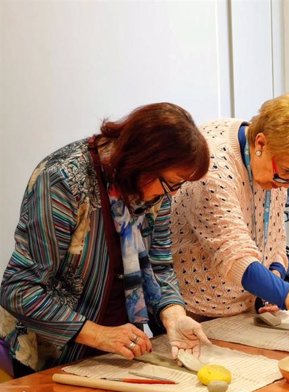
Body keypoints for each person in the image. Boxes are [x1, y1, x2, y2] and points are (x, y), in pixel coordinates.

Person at [0, 103, 212, 377]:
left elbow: (160, 267)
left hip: (114, 353)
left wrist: (175, 316)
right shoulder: (63, 180)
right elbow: (19, 289)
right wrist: (98, 335)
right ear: (144, 163)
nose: (172, 194)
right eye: (172, 183)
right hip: (50, 356)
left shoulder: (155, 191)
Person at [172, 92, 289, 331]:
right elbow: (236, 258)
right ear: (260, 143)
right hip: (196, 310)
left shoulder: (273, 161)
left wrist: (275, 277)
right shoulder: (214, 166)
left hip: (243, 307)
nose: (287, 184)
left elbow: (276, 233)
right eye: (287, 171)